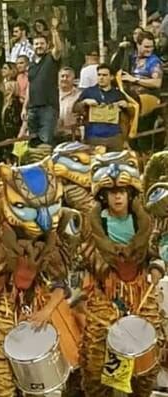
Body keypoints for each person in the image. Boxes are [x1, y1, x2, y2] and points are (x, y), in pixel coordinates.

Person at [81, 150, 163, 397]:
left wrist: (156, 267)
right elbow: (85, 253)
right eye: (112, 193)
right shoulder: (94, 223)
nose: (117, 197)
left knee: (147, 342)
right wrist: (97, 272)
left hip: (139, 288)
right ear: (104, 196)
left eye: (122, 192)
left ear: (130, 195)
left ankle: (140, 390)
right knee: (97, 345)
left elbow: (153, 252)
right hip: (105, 288)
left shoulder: (143, 222)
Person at [22, 16, 63, 147]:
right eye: (36, 44)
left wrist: (54, 30)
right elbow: (30, 86)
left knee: (46, 141)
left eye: (42, 44)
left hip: (48, 107)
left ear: (47, 45)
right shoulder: (31, 65)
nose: (39, 46)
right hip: (33, 108)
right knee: (33, 142)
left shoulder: (51, 59)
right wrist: (25, 107)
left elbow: (59, 49)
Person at [74, 64, 128, 150]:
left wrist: (126, 105)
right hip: (93, 137)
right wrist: (84, 102)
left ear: (111, 77)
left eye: (104, 75)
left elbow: (128, 115)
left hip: (114, 138)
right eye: (99, 75)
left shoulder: (118, 94)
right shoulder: (89, 92)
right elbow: (75, 108)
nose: (101, 77)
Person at [57, 67, 81, 141]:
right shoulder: (51, 94)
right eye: (62, 76)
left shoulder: (80, 95)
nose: (64, 79)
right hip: (53, 134)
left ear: (73, 79)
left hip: (72, 135)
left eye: (68, 76)